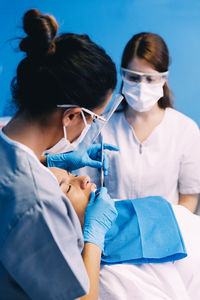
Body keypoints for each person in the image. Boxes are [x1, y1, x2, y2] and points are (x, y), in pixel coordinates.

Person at [0, 9, 119, 300]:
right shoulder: (37, 205)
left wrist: (47, 161)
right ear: (71, 116)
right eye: (93, 119)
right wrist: (94, 235)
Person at [77, 32, 200, 212]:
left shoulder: (185, 130)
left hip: (166, 233)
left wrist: (171, 231)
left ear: (164, 78)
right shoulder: (101, 128)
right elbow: (85, 189)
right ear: (123, 76)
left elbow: (189, 198)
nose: (141, 86)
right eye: (134, 78)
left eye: (150, 79)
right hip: (112, 233)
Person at [49, 167, 200, 300]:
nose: (85, 178)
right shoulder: (110, 277)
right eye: (68, 188)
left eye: (73, 174)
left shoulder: (111, 207)